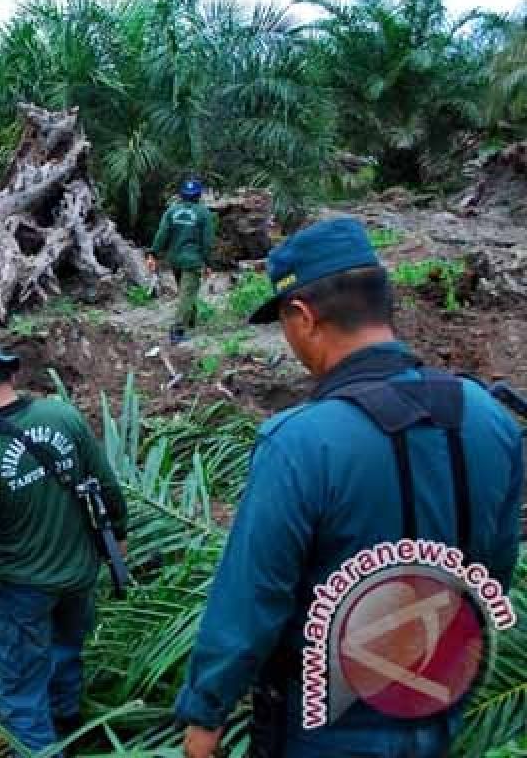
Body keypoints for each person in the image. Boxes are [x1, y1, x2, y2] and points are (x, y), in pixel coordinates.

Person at [176, 218, 523, 758]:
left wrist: (205, 712)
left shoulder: (299, 443)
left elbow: (253, 597)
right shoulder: (489, 419)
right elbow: (495, 569)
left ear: (303, 315)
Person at [0, 336, 127, 755]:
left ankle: (44, 748)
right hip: (79, 575)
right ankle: (68, 734)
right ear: (11, 374)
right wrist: (118, 533)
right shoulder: (63, 415)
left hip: (25, 590)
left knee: (22, 695)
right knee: (65, 656)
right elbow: (105, 481)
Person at [147, 178, 215, 345]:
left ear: (182, 194)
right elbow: (207, 241)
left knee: (186, 292)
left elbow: (162, 234)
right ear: (198, 195)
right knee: (187, 294)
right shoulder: (203, 213)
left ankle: (191, 320)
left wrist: (153, 253)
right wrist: (208, 263)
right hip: (193, 260)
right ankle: (177, 330)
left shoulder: (171, 212)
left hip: (175, 259)